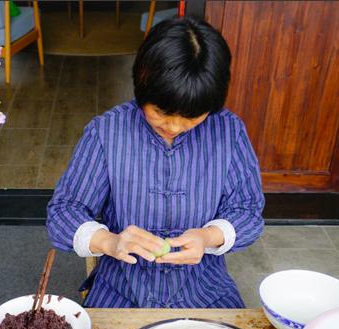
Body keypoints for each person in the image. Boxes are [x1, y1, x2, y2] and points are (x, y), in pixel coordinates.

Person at [46, 16, 264, 308]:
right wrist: (110, 242)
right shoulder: (107, 132)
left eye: (191, 117)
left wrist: (208, 237)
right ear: (142, 85)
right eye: (161, 112)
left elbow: (248, 211)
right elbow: (63, 213)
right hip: (121, 292)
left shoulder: (229, 132)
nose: (173, 127)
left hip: (205, 290)